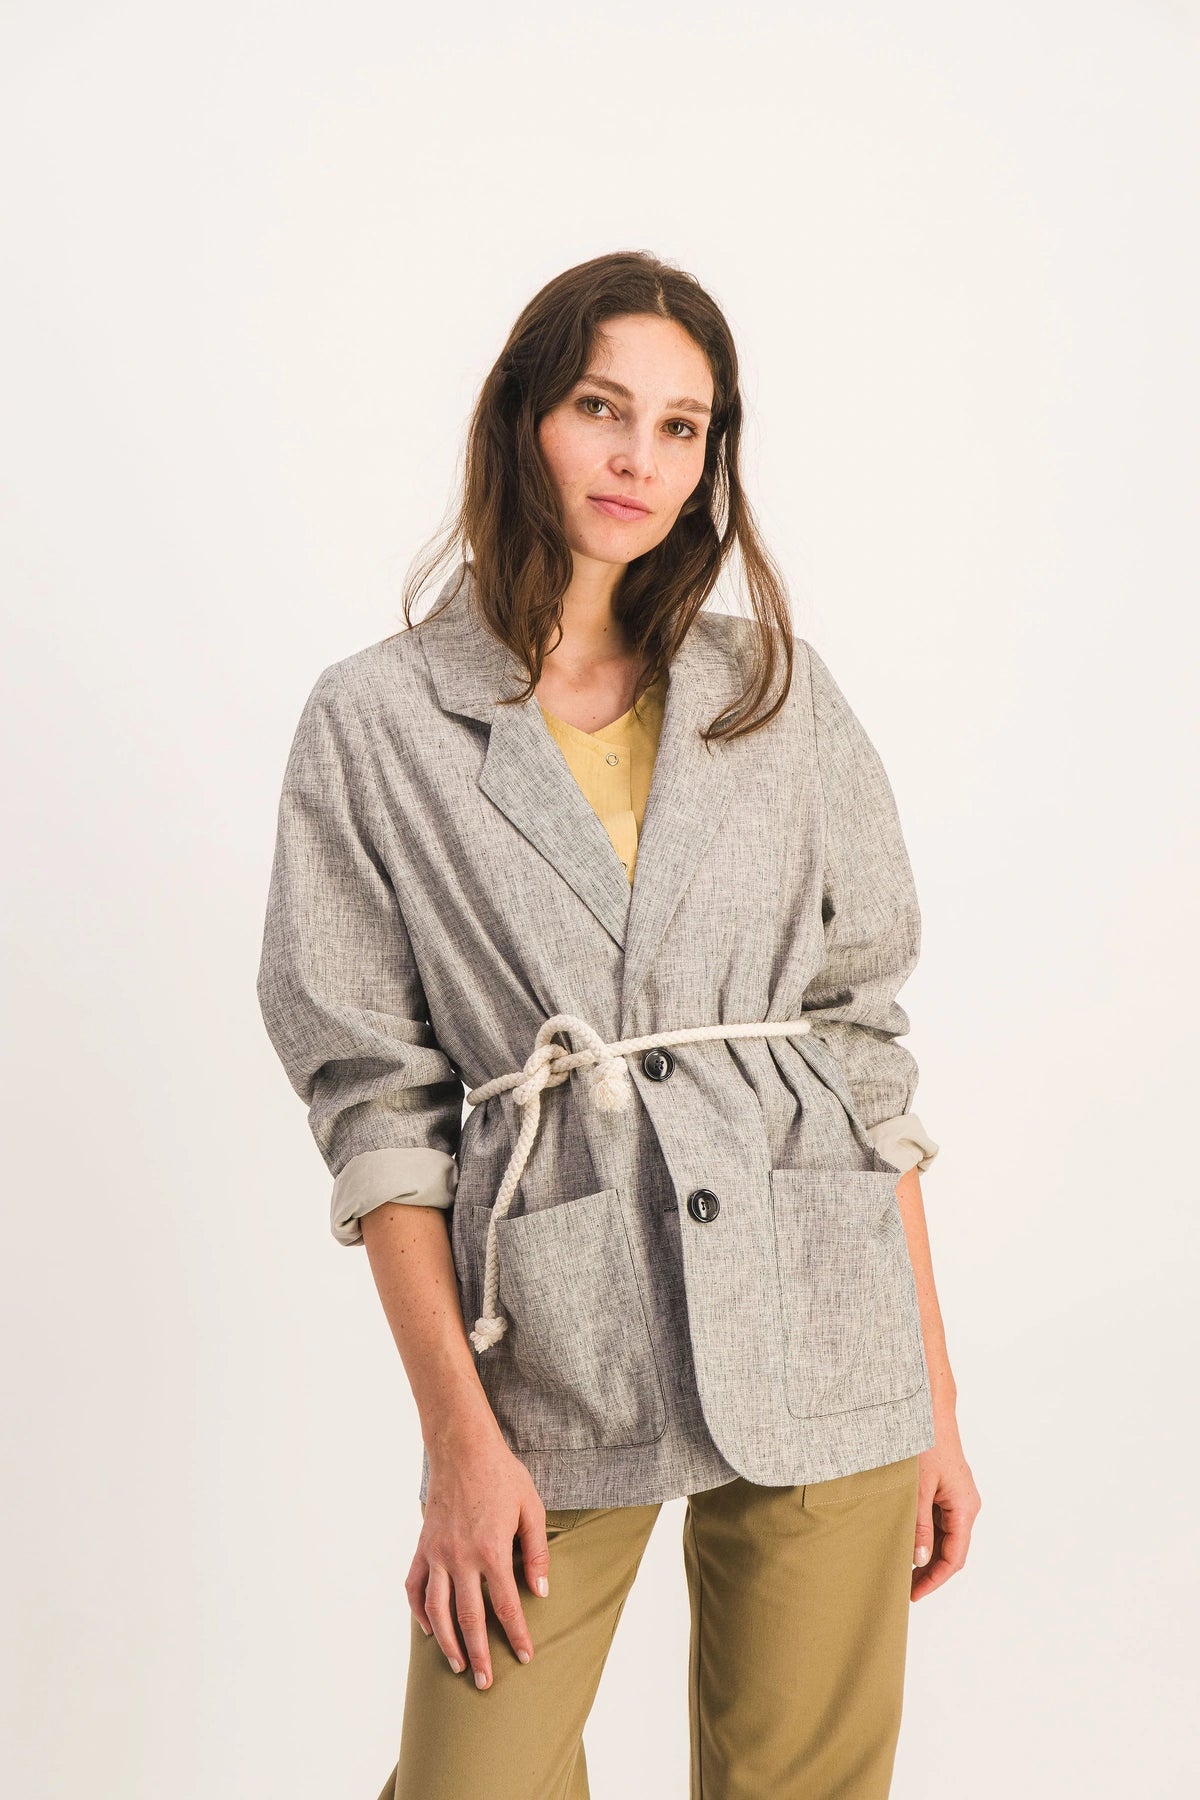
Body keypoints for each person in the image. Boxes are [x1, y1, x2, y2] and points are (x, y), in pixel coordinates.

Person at [256, 249, 981, 1799]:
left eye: (681, 426)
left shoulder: (773, 690)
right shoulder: (376, 721)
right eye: (601, 408)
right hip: (556, 1334)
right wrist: (459, 1443)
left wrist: (931, 1398)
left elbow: (862, 1051)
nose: (639, 456)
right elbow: (377, 1106)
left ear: (712, 459)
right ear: (524, 416)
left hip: (823, 1317)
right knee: (472, 1779)